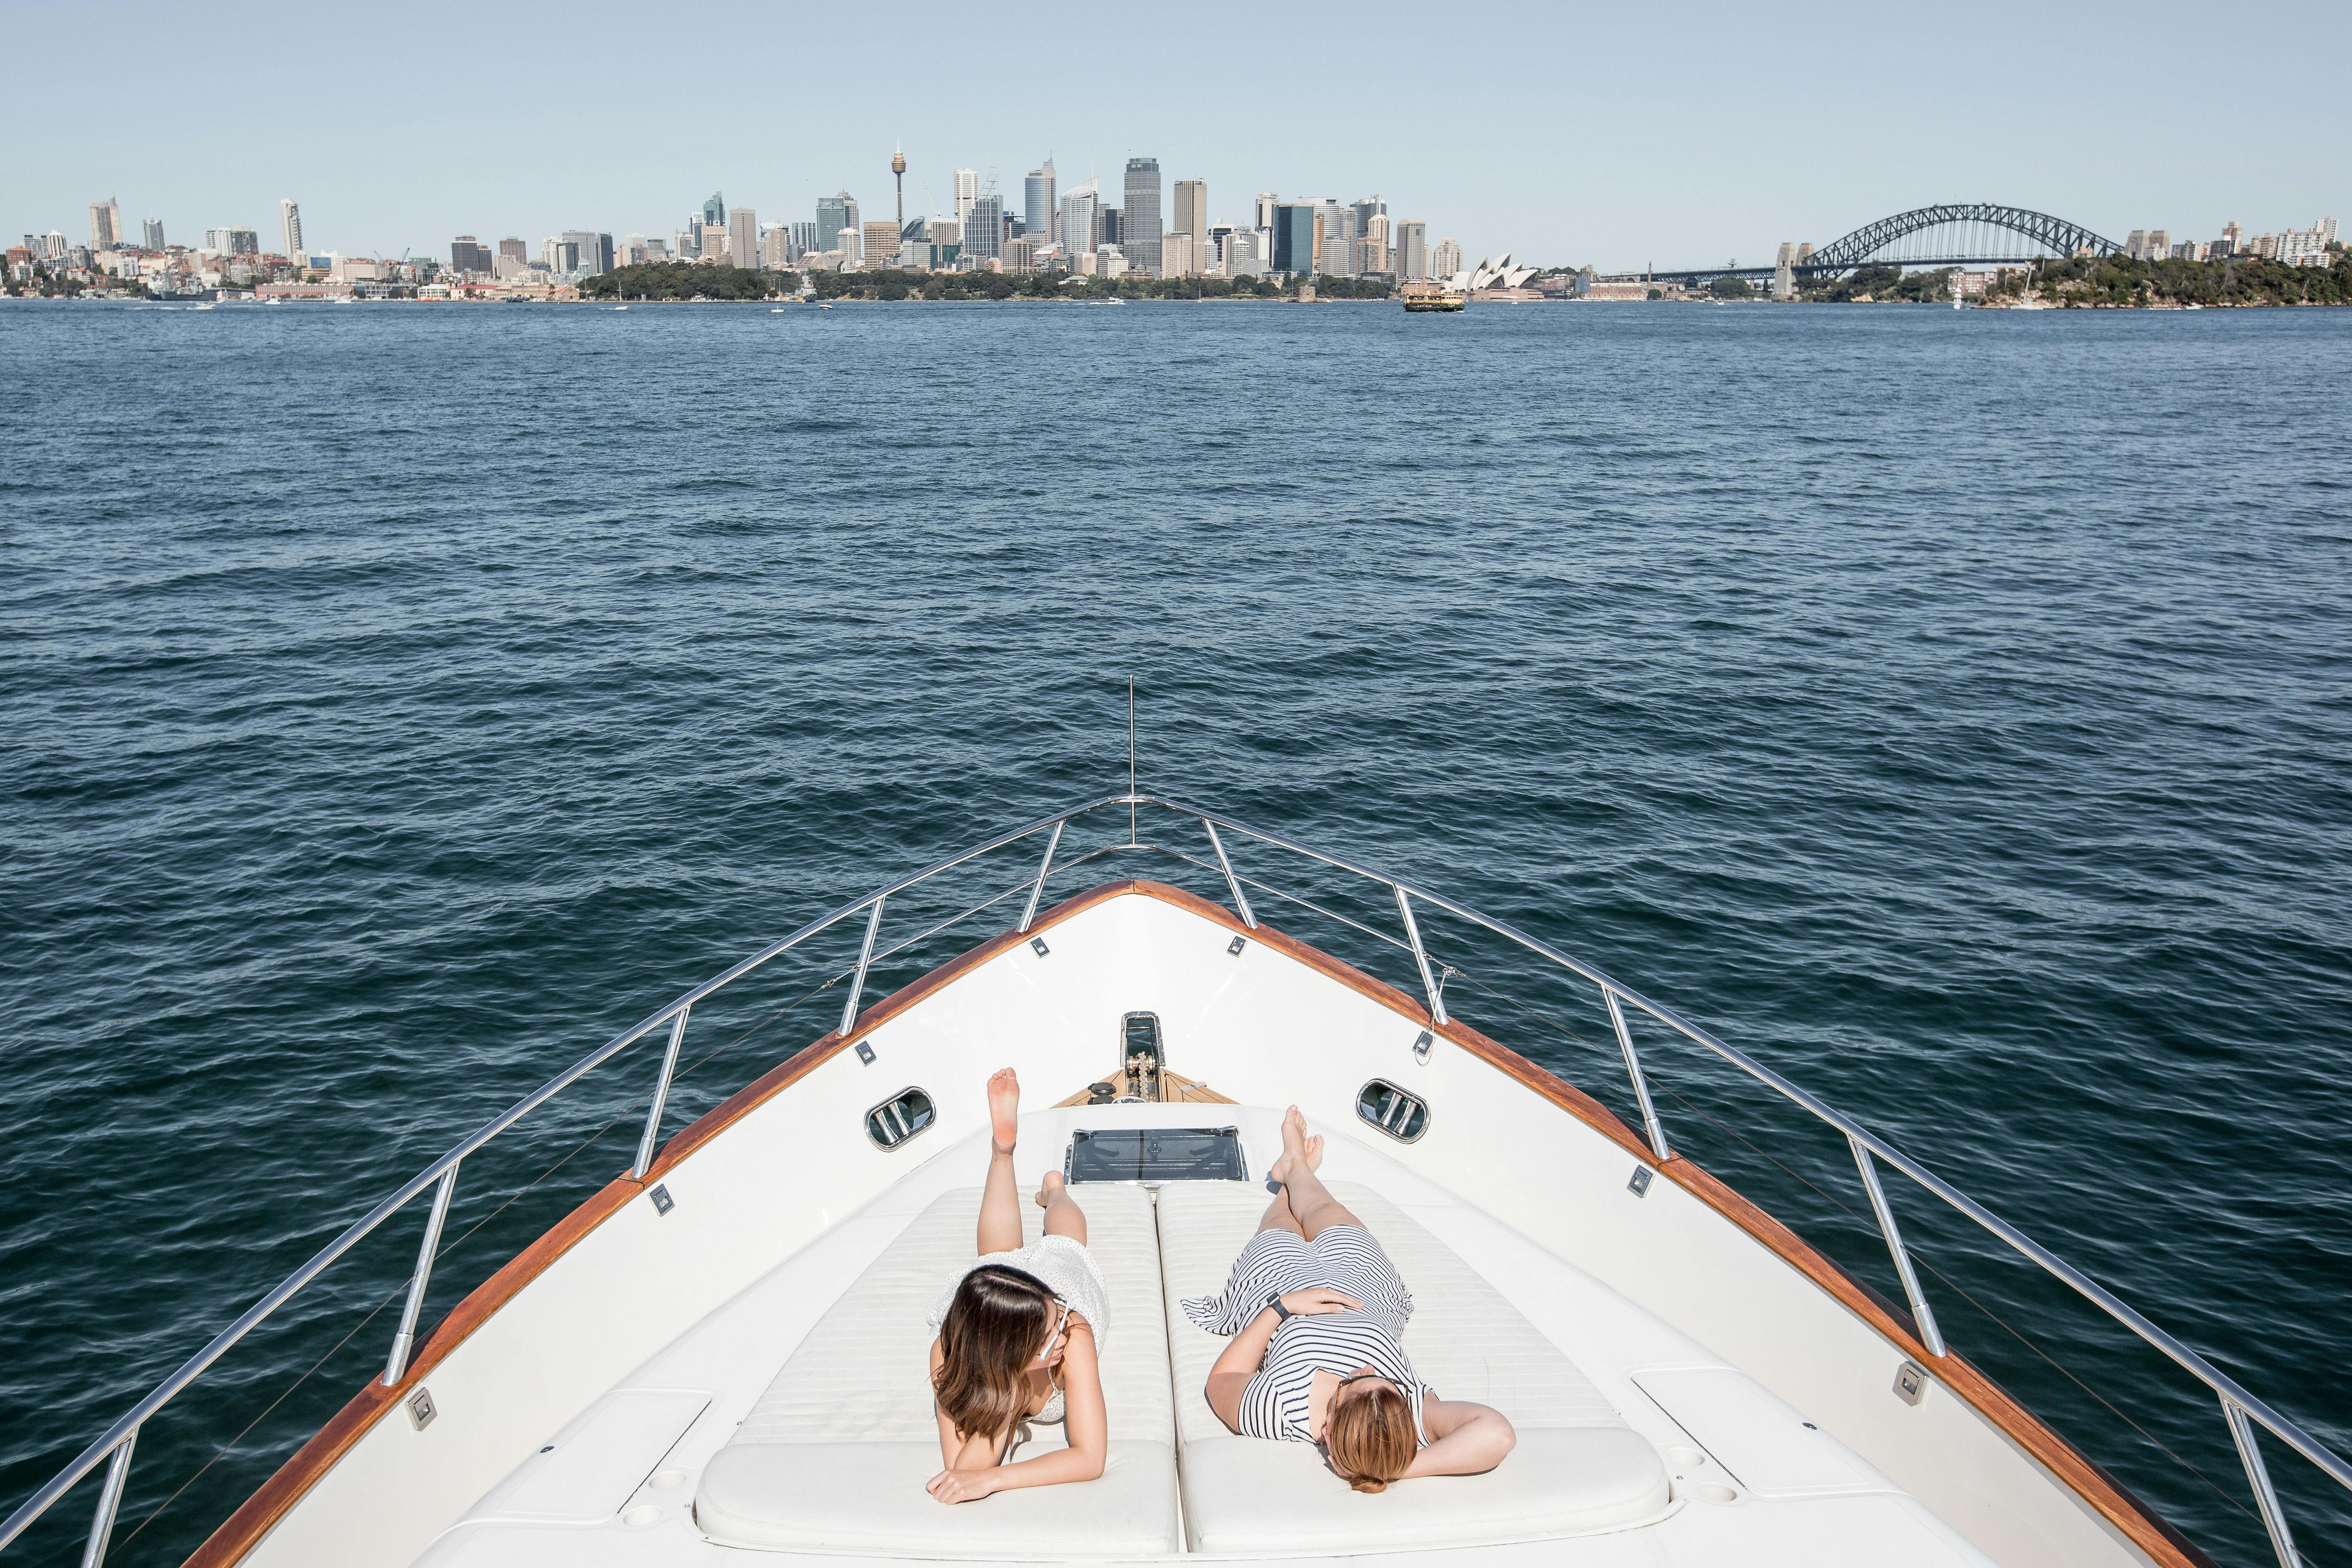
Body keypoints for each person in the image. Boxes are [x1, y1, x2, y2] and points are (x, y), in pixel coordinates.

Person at [1188, 1106, 1516, 1492]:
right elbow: (1498, 1434)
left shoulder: (1282, 1407)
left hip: (1282, 1288)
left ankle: (1291, 1176)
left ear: (1327, 1430)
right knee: (1329, 1212)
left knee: (1280, 1226)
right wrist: (1392, 1466)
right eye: (1381, 1378)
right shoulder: (1406, 1413)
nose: (1365, 1368)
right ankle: (1297, 1168)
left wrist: (1283, 1307)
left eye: (1350, 1383)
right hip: (1363, 1287)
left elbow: (1222, 1382)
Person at [924, 1069, 1110, 1504]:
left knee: (1063, 1249)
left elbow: (1090, 1459)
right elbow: (960, 1470)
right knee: (999, 1263)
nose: (1061, 1331)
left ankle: (1051, 1188)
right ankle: (1015, 1162)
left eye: (1056, 1319)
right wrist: (1010, 1388)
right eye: (1047, 1333)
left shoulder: (1072, 1329)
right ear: (1005, 1350)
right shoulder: (947, 1355)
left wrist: (996, 1480)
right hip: (1001, 1328)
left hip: (1055, 1286)